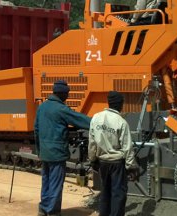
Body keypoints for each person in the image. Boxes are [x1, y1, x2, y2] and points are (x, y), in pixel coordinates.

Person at [34, 80, 92, 216]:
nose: (68, 96)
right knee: (55, 184)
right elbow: (80, 120)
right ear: (62, 94)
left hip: (45, 152)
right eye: (67, 94)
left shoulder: (42, 107)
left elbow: (36, 130)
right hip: (57, 153)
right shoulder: (61, 109)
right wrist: (100, 121)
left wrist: (39, 150)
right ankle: (53, 212)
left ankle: (43, 209)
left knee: (46, 181)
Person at [88, 91, 138, 216]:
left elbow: (92, 142)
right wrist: (131, 167)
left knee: (105, 192)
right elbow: (127, 147)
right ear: (120, 104)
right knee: (118, 194)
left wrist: (93, 159)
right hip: (117, 163)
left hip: (103, 162)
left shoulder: (96, 117)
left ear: (109, 103)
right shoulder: (121, 122)